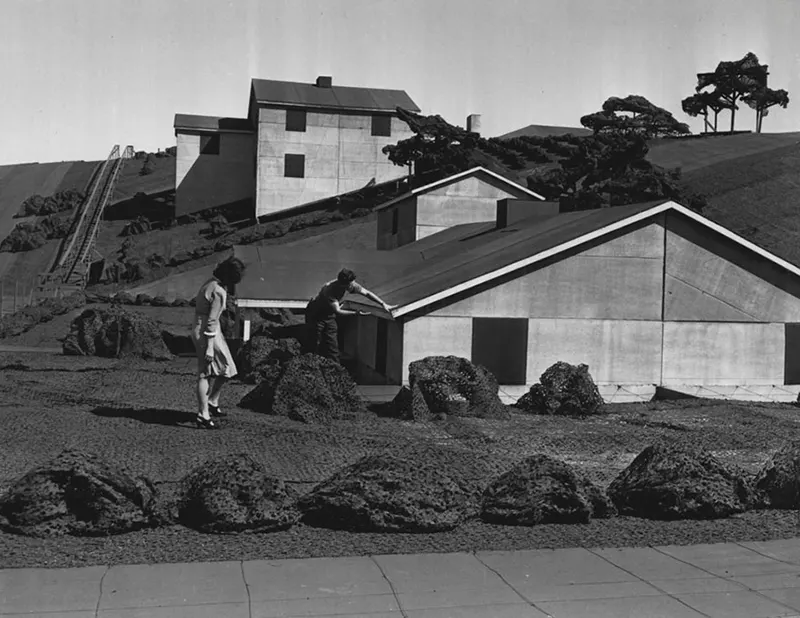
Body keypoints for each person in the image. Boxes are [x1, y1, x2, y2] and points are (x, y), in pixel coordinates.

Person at [192, 256, 246, 429]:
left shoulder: (211, 283)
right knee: (205, 373)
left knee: (227, 368)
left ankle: (212, 402)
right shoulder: (218, 291)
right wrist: (209, 347)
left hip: (208, 330)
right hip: (208, 332)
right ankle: (203, 414)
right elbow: (211, 321)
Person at [305, 268, 393, 364]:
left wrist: (383, 304)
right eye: (350, 284)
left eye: (353, 282)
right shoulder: (329, 289)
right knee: (314, 342)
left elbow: (367, 293)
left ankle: (335, 367)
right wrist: (356, 313)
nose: (353, 285)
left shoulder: (350, 285)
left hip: (329, 315)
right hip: (316, 314)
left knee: (332, 345)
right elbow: (338, 311)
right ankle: (310, 363)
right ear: (343, 284)